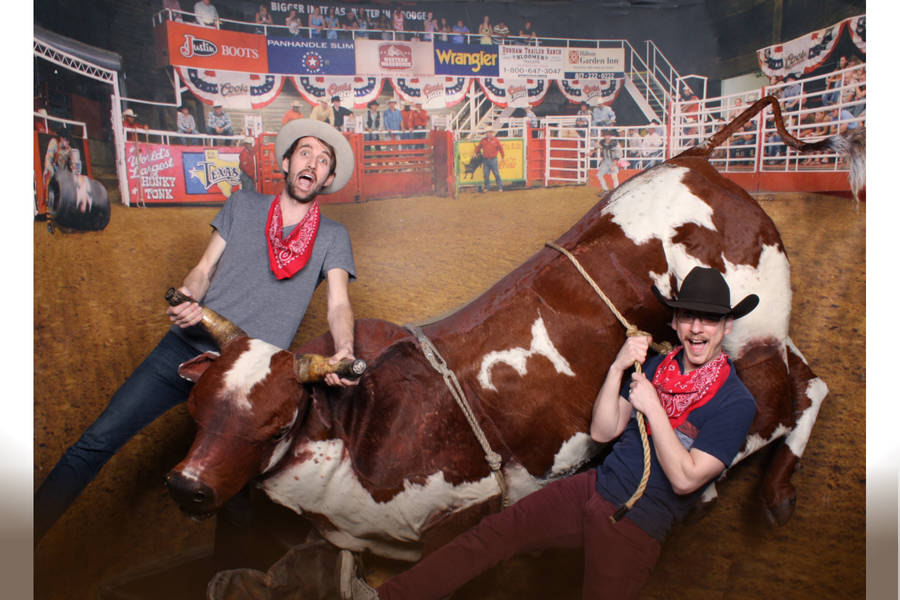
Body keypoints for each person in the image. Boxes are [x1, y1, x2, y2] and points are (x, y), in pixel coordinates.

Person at [34, 119, 360, 563]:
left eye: (324, 161)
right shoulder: (243, 205)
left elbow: (338, 304)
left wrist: (344, 349)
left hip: (249, 379)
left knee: (234, 497)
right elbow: (204, 269)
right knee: (96, 441)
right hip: (187, 347)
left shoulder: (333, 236)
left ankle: (225, 587)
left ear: (326, 179)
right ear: (286, 163)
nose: (313, 163)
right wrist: (190, 295)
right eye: (305, 153)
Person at [343, 266, 758, 600]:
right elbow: (604, 428)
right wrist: (616, 368)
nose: (697, 329)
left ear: (727, 326)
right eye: (688, 317)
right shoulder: (656, 369)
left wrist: (653, 409)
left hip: (637, 524)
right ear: (676, 320)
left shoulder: (735, 403)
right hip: (592, 490)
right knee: (492, 535)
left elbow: (686, 479)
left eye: (709, 319)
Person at [592, 128, 622, 193]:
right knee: (599, 175)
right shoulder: (602, 142)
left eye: (608, 135)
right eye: (606, 135)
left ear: (610, 136)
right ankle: (605, 189)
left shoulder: (615, 143)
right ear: (604, 136)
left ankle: (616, 190)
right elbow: (596, 146)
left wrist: (614, 164)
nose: (607, 137)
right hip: (605, 161)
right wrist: (592, 152)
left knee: (614, 175)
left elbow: (619, 155)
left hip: (612, 160)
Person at [475, 128, 504, 192]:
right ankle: (487, 187)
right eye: (487, 132)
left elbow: (501, 149)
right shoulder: (483, 140)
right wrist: (475, 153)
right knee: (486, 174)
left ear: (491, 133)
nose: (488, 134)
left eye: (489, 132)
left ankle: (500, 187)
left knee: (496, 174)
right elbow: (478, 147)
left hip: (493, 159)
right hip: (486, 160)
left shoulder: (496, 140)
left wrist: (503, 157)